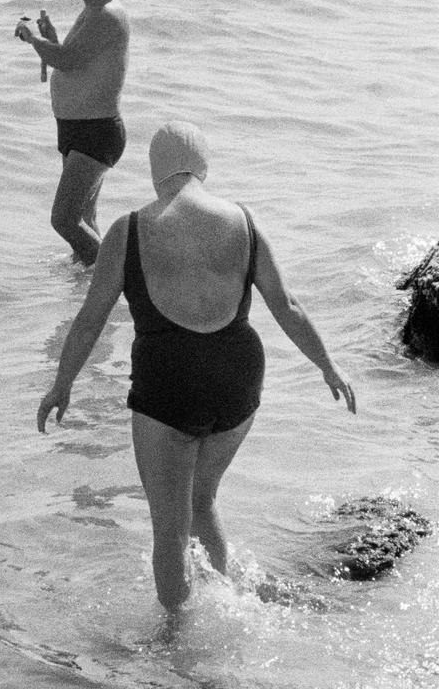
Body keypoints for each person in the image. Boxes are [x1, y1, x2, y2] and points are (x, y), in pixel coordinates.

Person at [37, 121, 356, 612]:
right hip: (238, 383)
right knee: (202, 499)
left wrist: (62, 384)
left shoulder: (128, 229)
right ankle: (227, 602)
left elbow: (88, 321)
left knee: (169, 524)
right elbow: (286, 305)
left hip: (169, 385)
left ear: (154, 172)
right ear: (203, 167)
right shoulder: (244, 220)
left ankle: (175, 642)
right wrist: (329, 367)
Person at [14, 0, 129, 266]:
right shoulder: (94, 10)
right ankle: (87, 296)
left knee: (64, 220)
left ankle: (115, 280)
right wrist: (50, 37)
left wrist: (32, 39)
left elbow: (66, 60)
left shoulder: (107, 14)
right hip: (80, 131)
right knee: (85, 222)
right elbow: (76, 59)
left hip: (95, 133)